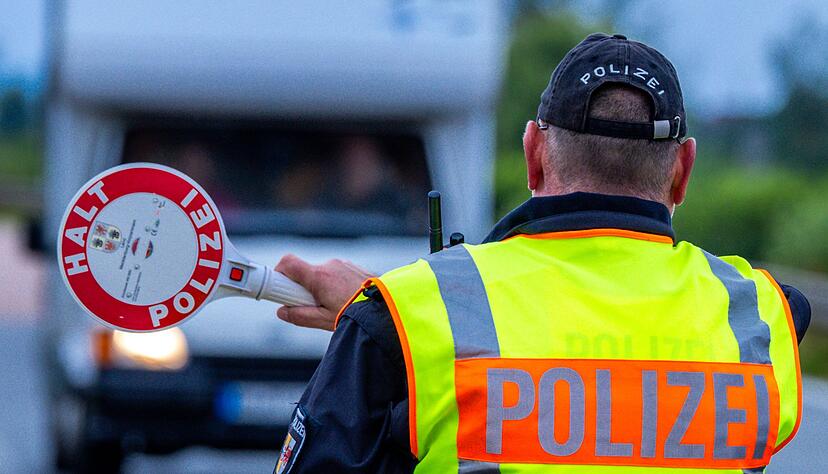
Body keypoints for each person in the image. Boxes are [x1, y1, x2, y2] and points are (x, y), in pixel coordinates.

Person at [271, 33, 810, 473]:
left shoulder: (409, 313)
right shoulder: (759, 316)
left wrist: (378, 323)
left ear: (532, 154)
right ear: (684, 170)